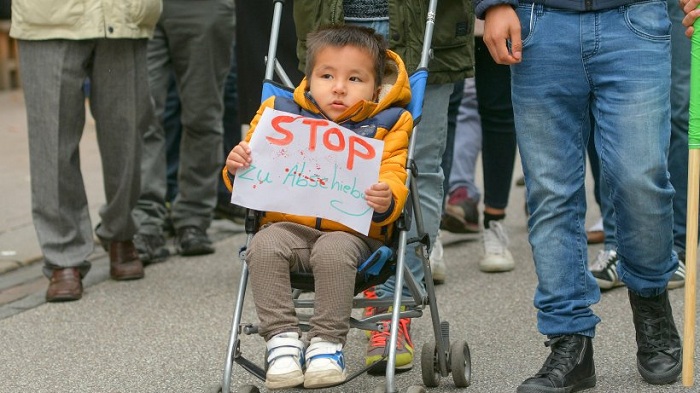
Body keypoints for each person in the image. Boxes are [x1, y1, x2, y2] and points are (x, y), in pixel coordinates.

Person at [479, 0, 682, 391]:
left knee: (641, 180)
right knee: (550, 194)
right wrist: (494, 3)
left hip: (634, 19)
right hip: (539, 22)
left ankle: (651, 301)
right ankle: (569, 340)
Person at [223, 25, 412, 389]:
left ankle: (326, 344)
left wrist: (387, 195)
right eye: (327, 76)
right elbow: (251, 171)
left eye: (355, 78)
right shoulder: (281, 113)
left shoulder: (388, 123)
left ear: (375, 87)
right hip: (289, 227)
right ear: (309, 80)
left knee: (333, 249)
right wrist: (236, 166)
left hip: (354, 233)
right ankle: (281, 342)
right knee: (262, 246)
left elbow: (394, 172)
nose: (339, 87)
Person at [293, 0, 475, 371]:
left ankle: (394, 306)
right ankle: (316, 307)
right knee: (325, 162)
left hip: (422, 21)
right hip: (332, 21)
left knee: (415, 166)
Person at [10, 0, 160, 301]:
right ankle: (63, 257)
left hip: (124, 14)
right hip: (49, 16)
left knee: (127, 133)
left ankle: (121, 231)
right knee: (51, 141)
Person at [132, 0, 235, 262]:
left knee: (203, 115)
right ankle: (145, 222)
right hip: (138, 6)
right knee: (141, 116)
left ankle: (193, 219)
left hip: (202, 7)